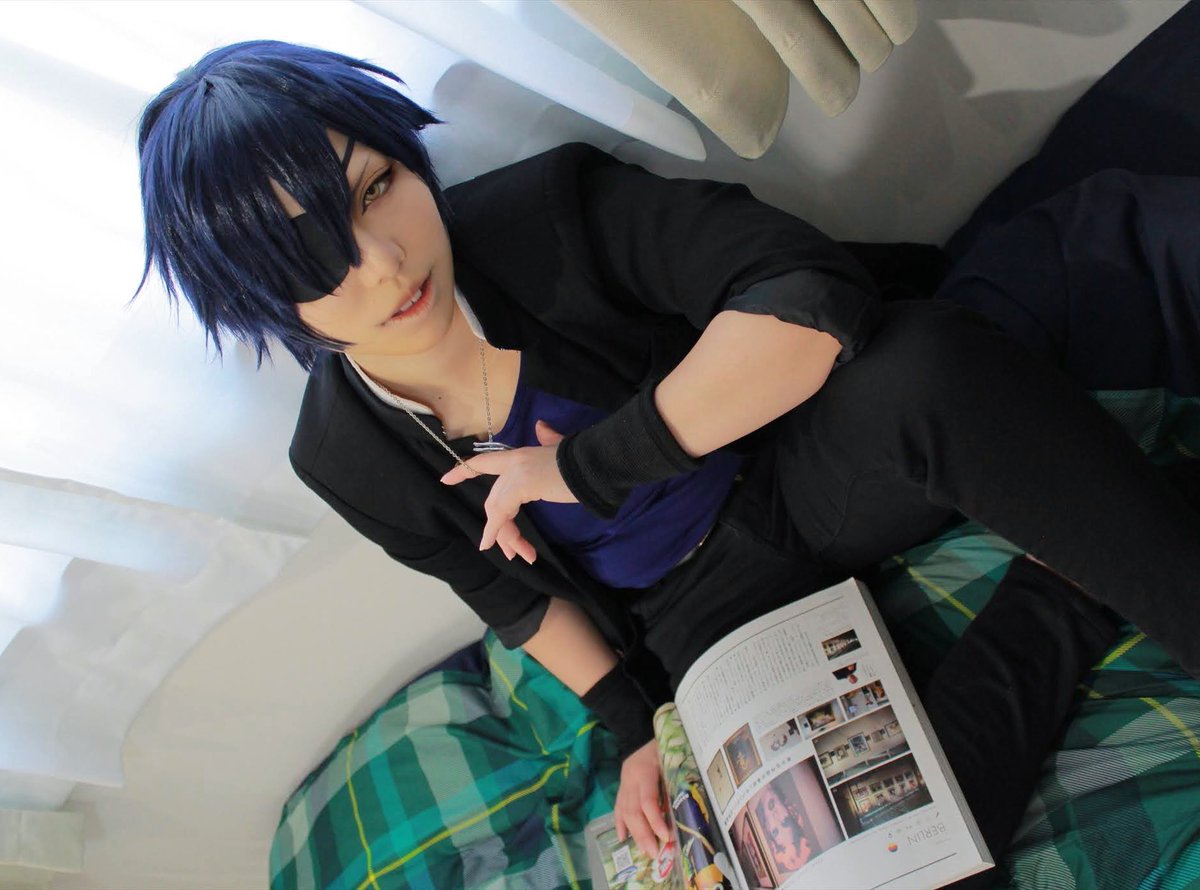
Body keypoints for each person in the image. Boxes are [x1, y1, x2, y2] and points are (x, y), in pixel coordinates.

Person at [135, 41, 1199, 885]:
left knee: (931, 365)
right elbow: (506, 594)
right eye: (314, 260)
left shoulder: (545, 213)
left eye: (374, 189)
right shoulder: (341, 452)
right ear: (265, 306)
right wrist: (634, 722)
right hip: (697, 611)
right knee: (866, 864)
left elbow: (808, 296)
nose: (383, 262)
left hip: (796, 462)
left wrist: (586, 470)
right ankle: (1066, 590)